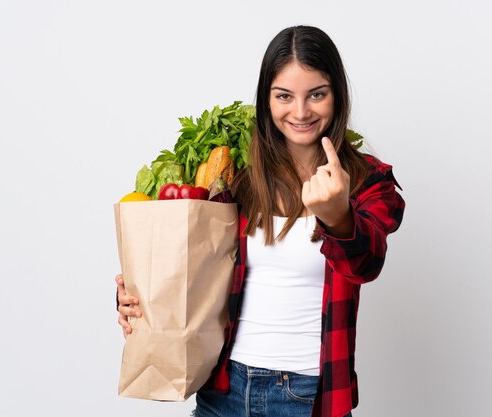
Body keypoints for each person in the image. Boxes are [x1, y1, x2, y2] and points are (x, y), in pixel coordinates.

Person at [116, 25, 405, 417]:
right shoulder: (236, 175)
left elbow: (367, 263)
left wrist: (339, 215)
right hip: (224, 390)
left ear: (337, 95)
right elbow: (193, 263)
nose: (300, 112)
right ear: (266, 100)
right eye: (284, 96)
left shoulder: (368, 180)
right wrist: (137, 295)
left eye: (316, 94)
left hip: (306, 397)